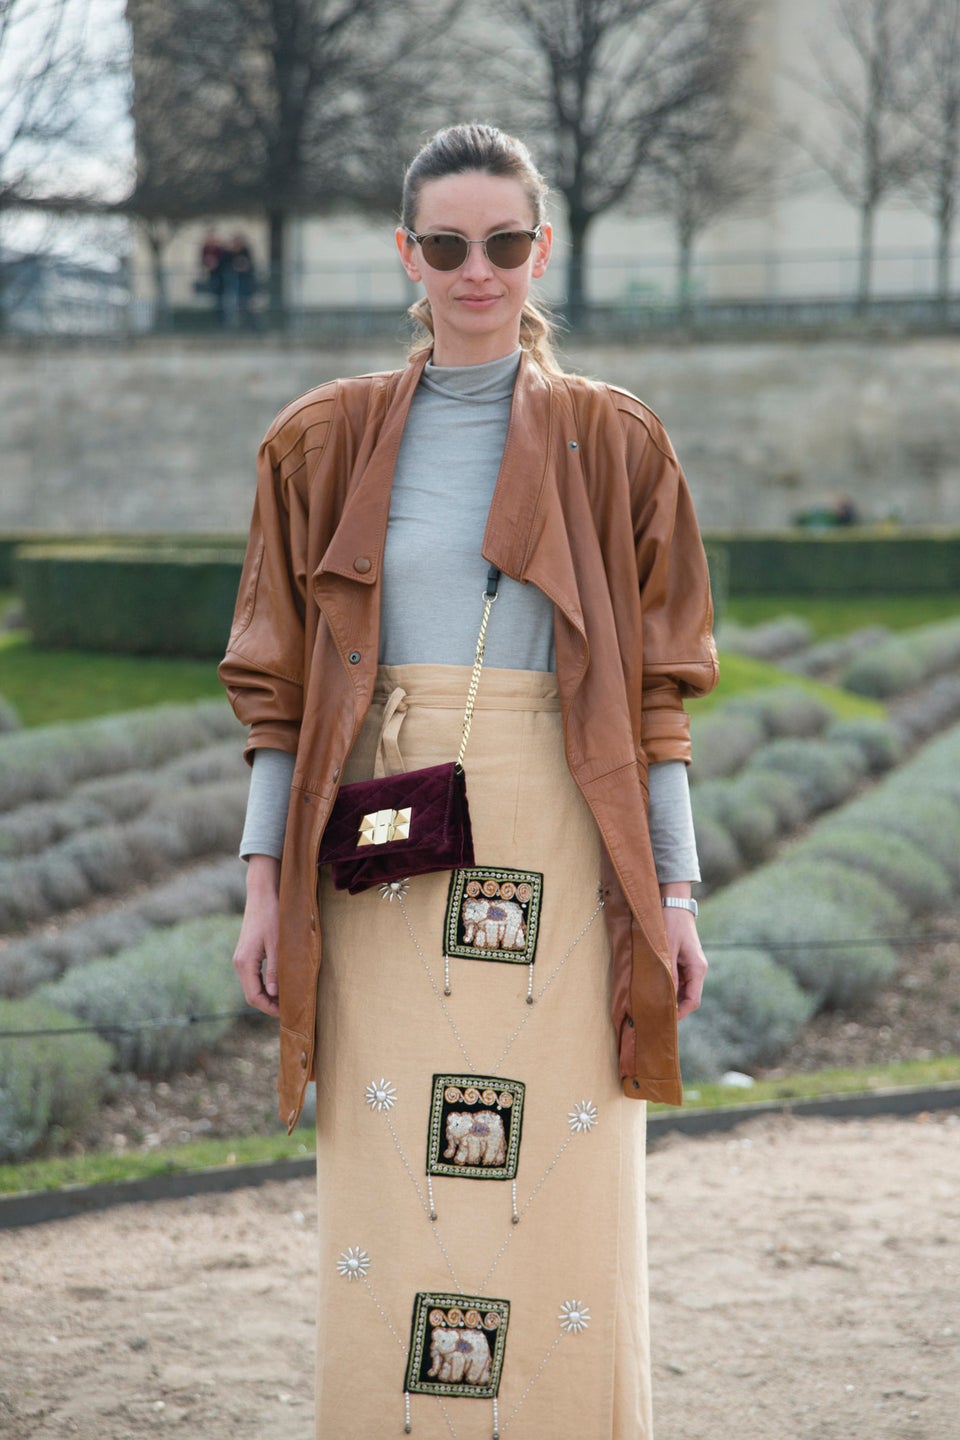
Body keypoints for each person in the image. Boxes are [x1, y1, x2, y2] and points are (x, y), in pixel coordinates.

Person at [219, 123, 718, 1440]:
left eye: (504, 243)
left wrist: (676, 892)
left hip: (567, 833)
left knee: (565, 1166)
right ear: (408, 255)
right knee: (389, 1180)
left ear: (540, 250)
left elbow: (661, 688)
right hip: (385, 843)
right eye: (448, 244)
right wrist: (263, 885)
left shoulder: (616, 442)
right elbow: (274, 687)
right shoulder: (321, 442)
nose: (477, 270)